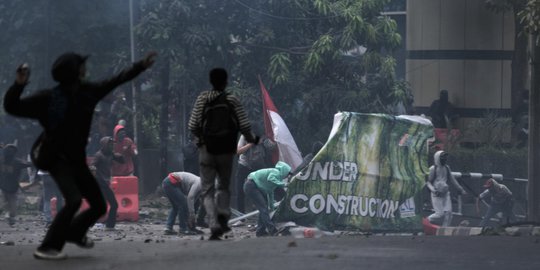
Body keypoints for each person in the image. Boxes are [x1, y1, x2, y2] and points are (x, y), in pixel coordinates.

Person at [4, 51, 156, 260]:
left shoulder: (86, 92)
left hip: (76, 159)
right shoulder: (49, 98)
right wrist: (19, 84)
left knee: (99, 204)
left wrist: (140, 66)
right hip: (55, 158)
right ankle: (48, 246)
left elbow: (114, 81)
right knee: (74, 200)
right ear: (75, 71)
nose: (86, 69)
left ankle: (75, 233)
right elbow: (12, 106)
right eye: (82, 66)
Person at [188, 68, 259, 240]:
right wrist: (251, 140)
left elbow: (192, 126)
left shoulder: (202, 99)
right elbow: (244, 126)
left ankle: (208, 221)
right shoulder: (232, 100)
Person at [243, 161, 291, 237]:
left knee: (264, 209)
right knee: (263, 208)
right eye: (288, 173)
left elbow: (270, 194)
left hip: (254, 186)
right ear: (284, 171)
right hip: (251, 185)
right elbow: (270, 178)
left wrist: (271, 207)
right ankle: (273, 230)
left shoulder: (275, 180)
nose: (287, 176)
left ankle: (260, 232)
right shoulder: (276, 172)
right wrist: (284, 184)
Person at [234, 133, 276, 213]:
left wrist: (272, 139)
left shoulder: (262, 137)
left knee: (263, 188)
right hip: (244, 165)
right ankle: (241, 215)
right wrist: (250, 144)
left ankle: (265, 211)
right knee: (240, 190)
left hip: (258, 165)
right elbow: (238, 151)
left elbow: (272, 147)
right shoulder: (245, 136)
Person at [91, 136, 124, 230]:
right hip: (99, 184)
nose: (111, 146)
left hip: (106, 184)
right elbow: (92, 166)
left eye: (112, 144)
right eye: (109, 144)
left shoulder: (111, 154)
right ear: (104, 145)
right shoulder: (99, 155)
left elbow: (122, 161)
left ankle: (110, 226)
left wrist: (120, 156)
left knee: (114, 205)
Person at [425, 150, 466, 227]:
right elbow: (428, 182)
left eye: (445, 158)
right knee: (439, 214)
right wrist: (433, 190)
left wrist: (460, 189)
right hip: (436, 194)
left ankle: (444, 230)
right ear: (437, 158)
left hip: (446, 193)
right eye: (442, 158)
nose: (444, 160)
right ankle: (425, 221)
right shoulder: (432, 169)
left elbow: (452, 179)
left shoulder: (447, 168)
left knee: (449, 213)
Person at [0, 144, 32, 226]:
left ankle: (8, 214)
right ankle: (11, 216)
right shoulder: (17, 162)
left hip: (3, 185)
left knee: (5, 201)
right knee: (12, 201)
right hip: (13, 186)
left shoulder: (1, 160)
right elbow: (28, 164)